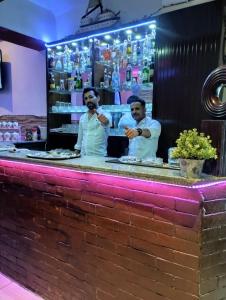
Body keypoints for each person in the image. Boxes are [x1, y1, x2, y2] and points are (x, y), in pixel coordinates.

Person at [74, 87, 112, 156]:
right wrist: (74, 156)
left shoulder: (106, 114)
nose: (88, 100)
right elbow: (79, 142)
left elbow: (107, 123)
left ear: (98, 98)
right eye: (86, 98)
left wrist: (105, 122)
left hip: (99, 158)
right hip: (83, 158)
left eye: (90, 97)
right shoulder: (82, 117)